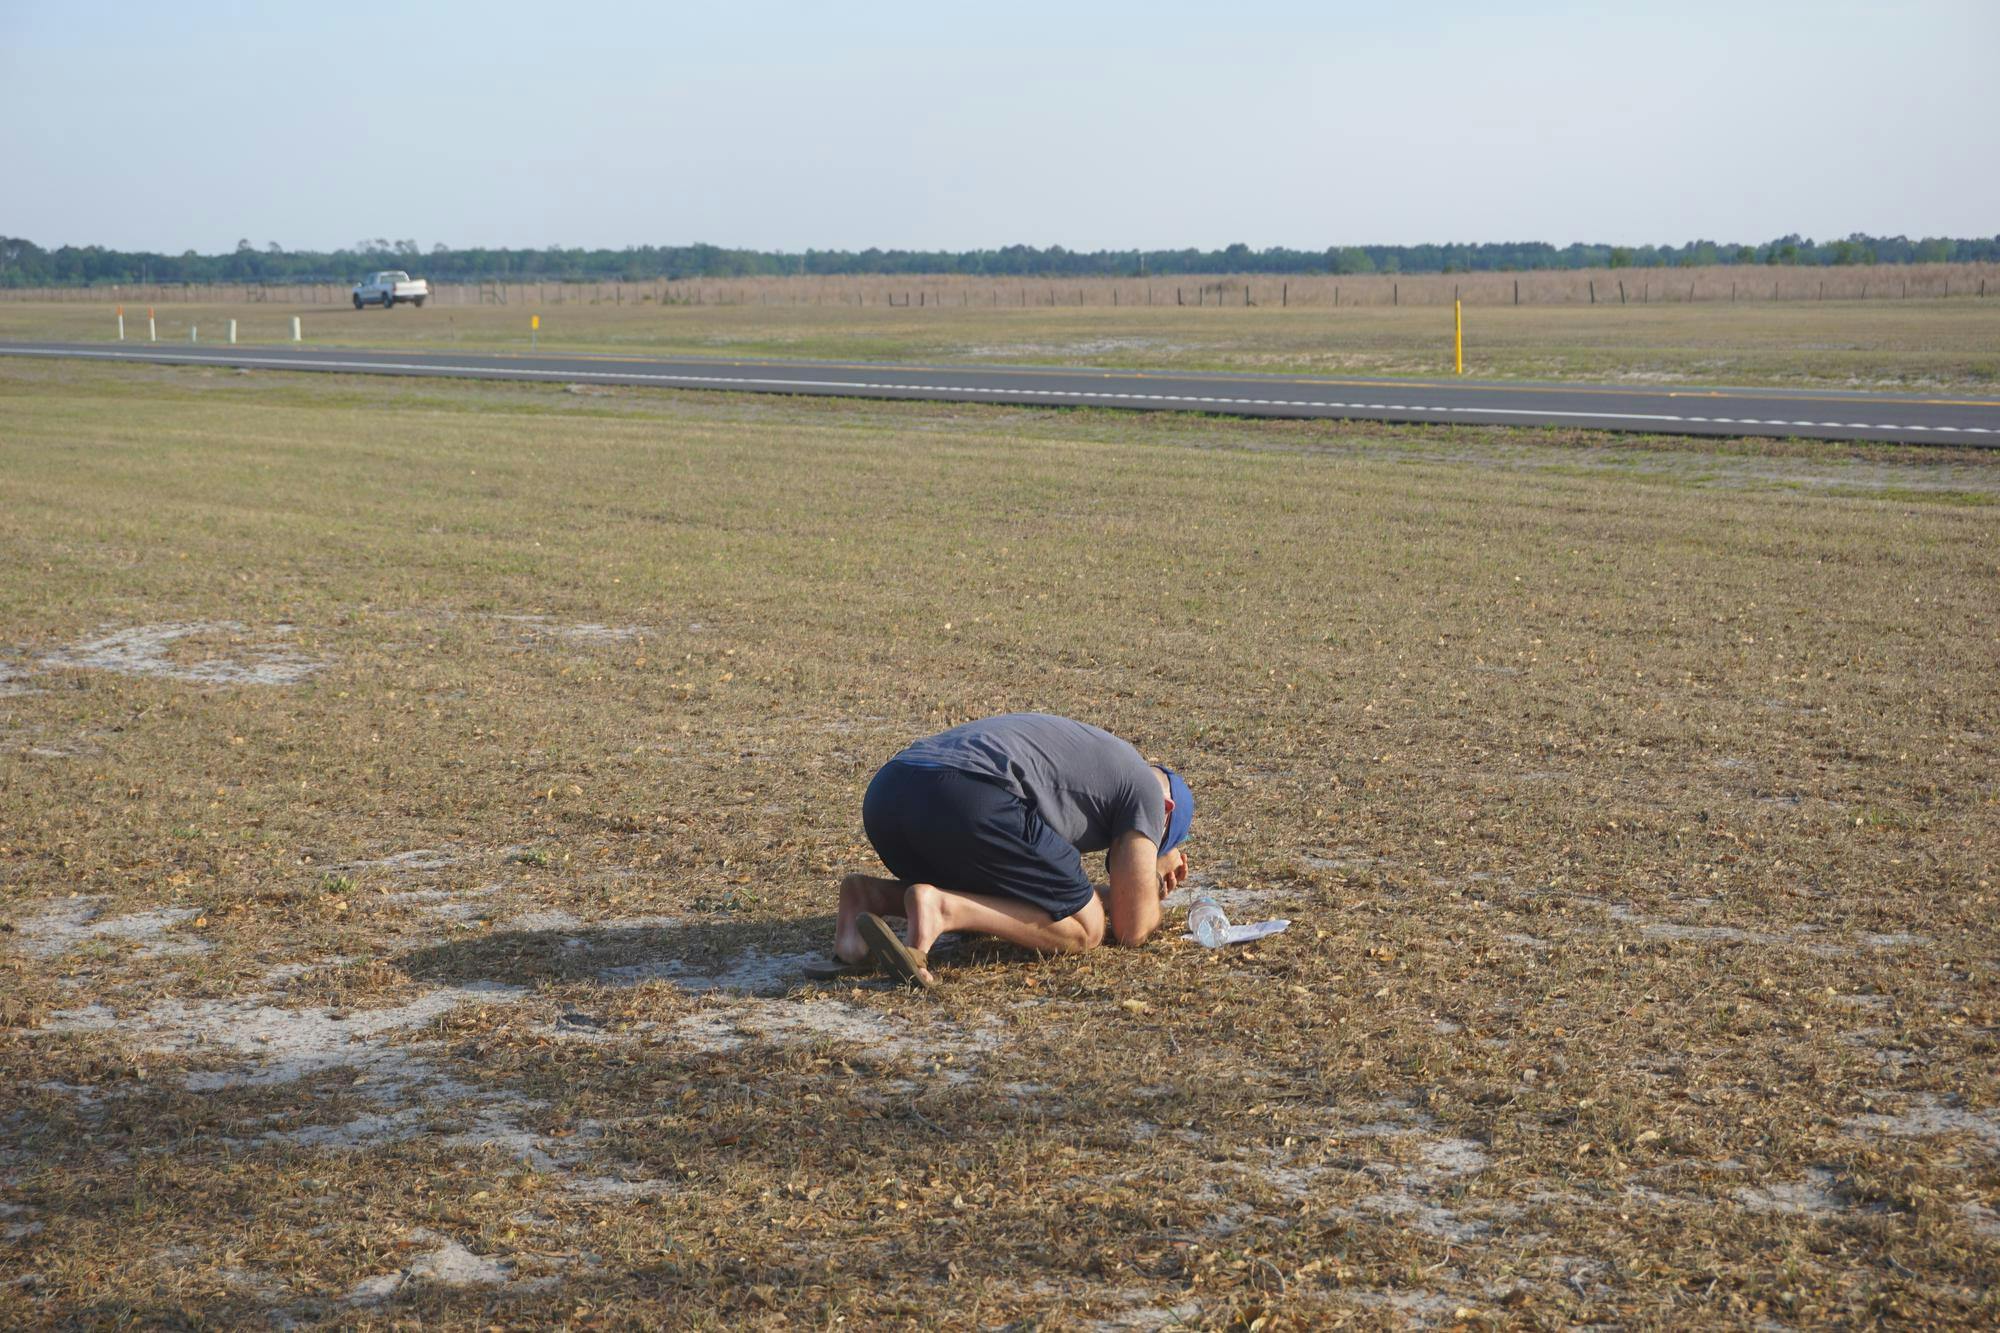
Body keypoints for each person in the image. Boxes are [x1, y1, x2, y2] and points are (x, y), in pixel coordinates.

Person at [831, 712, 1193, 987]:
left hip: (888, 796)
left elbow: (1028, 883)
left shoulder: (1096, 758)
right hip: (965, 796)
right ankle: (940, 909)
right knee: (1087, 927)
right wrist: (1156, 866)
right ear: (1165, 812)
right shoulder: (1147, 788)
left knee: (1018, 884)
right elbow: (1133, 929)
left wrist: (1111, 894)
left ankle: (870, 897)